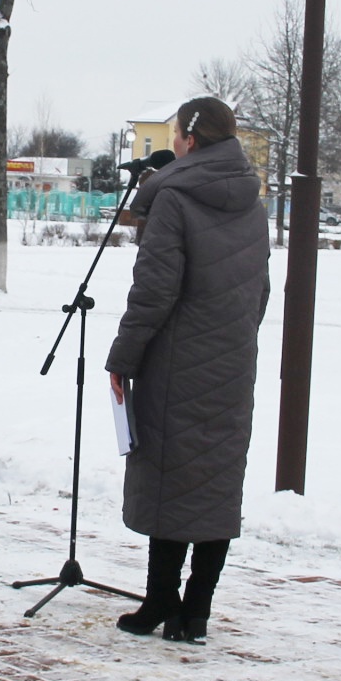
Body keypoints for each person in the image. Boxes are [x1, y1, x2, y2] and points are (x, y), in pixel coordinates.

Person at [104, 96, 271, 645]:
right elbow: (261, 288)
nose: (172, 142)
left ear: (190, 141)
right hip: (232, 358)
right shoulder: (253, 201)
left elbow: (153, 291)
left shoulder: (173, 196)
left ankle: (159, 602)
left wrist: (124, 357)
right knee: (214, 482)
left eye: (176, 133)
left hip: (176, 360)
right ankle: (194, 612)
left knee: (170, 480)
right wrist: (234, 335)